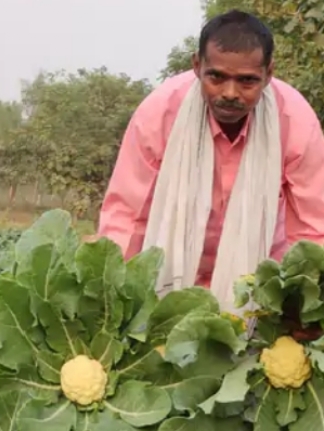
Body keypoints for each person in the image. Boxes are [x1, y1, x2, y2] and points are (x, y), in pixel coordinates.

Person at [96, 10, 324, 311]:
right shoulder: (161, 112)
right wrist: (111, 291)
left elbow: (311, 230)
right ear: (196, 66)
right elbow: (127, 214)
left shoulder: (294, 121)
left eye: (247, 81)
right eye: (216, 77)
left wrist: (298, 303)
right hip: (169, 286)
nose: (230, 93)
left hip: (258, 292)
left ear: (269, 74)